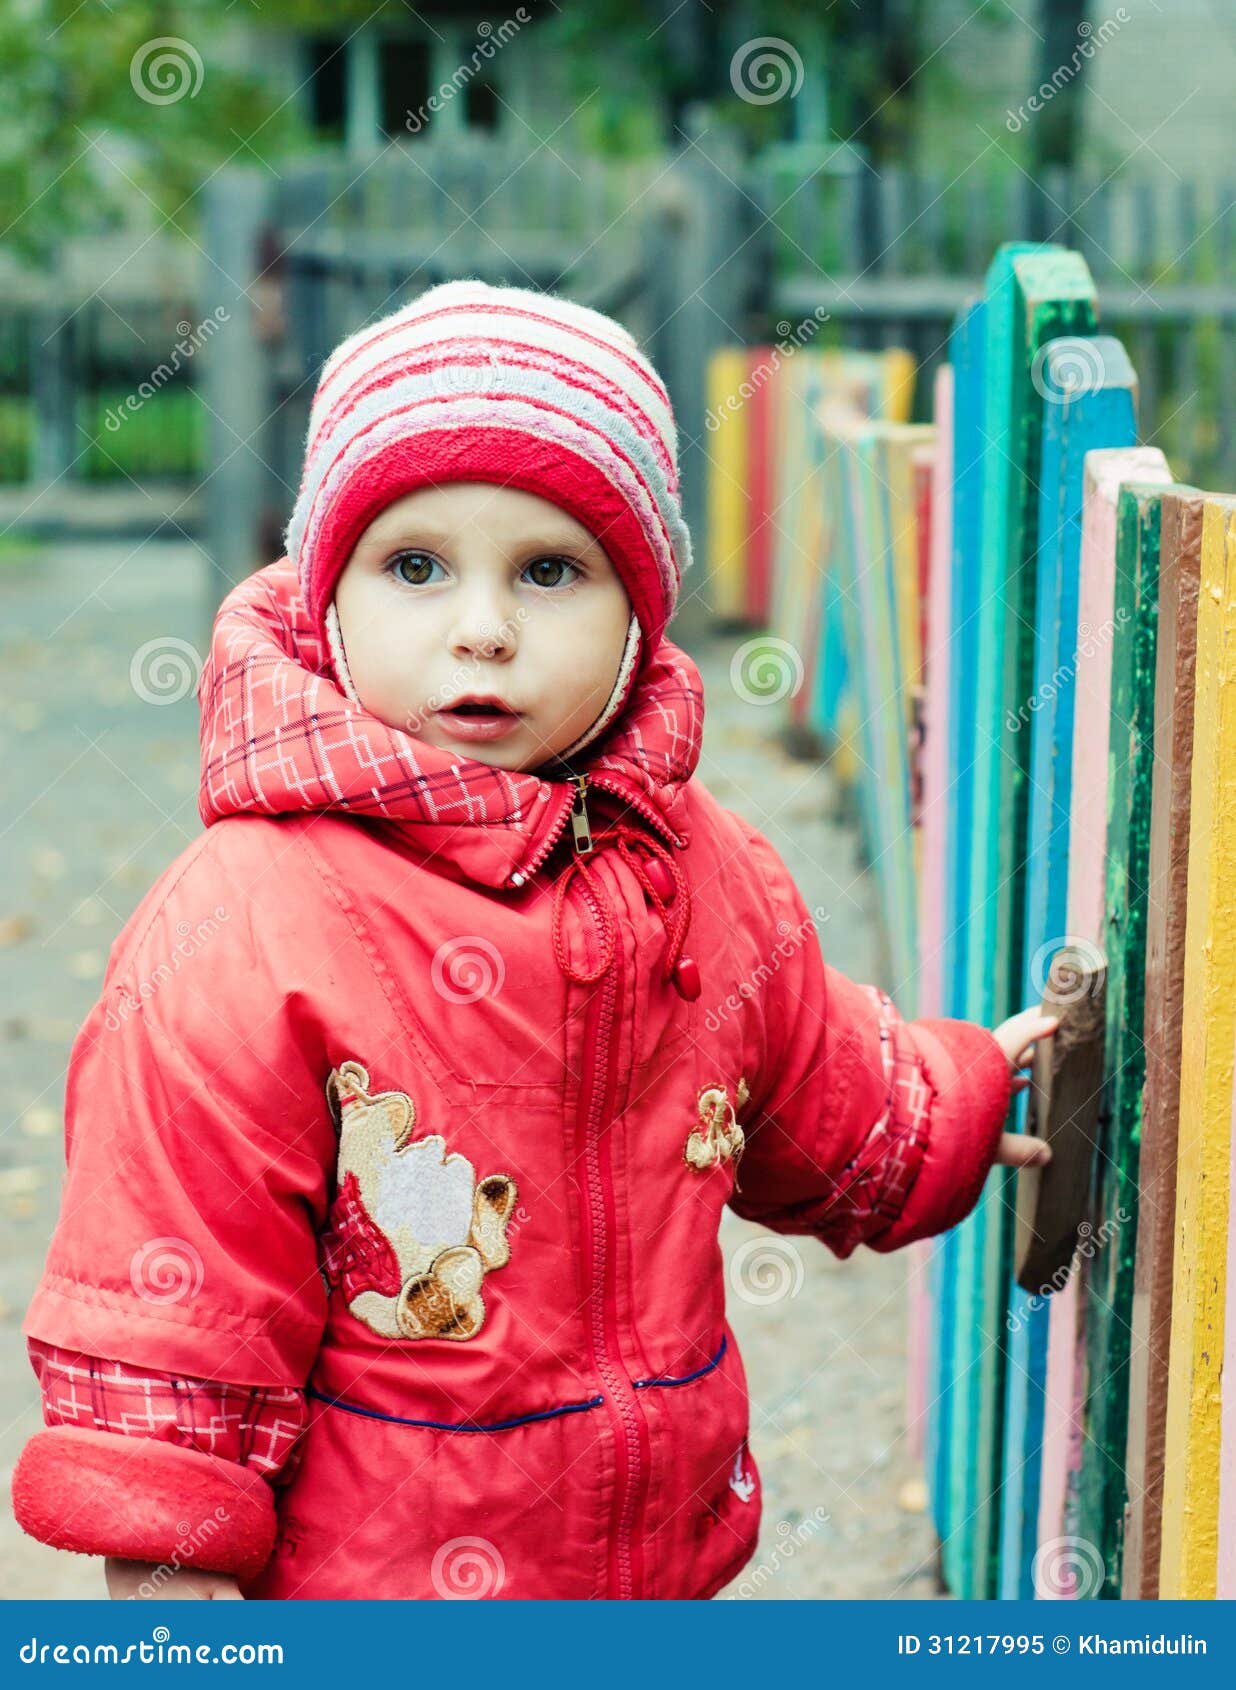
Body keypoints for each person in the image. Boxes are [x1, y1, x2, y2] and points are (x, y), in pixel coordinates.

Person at [13, 279, 1056, 1601]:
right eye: (415, 566)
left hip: (650, 1567)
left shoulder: (695, 866)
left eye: (550, 570)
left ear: (639, 616)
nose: (483, 626)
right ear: (327, 600)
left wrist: (951, 1097)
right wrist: (169, 1569)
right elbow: (179, 1280)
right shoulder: (247, 920)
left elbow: (806, 1071)